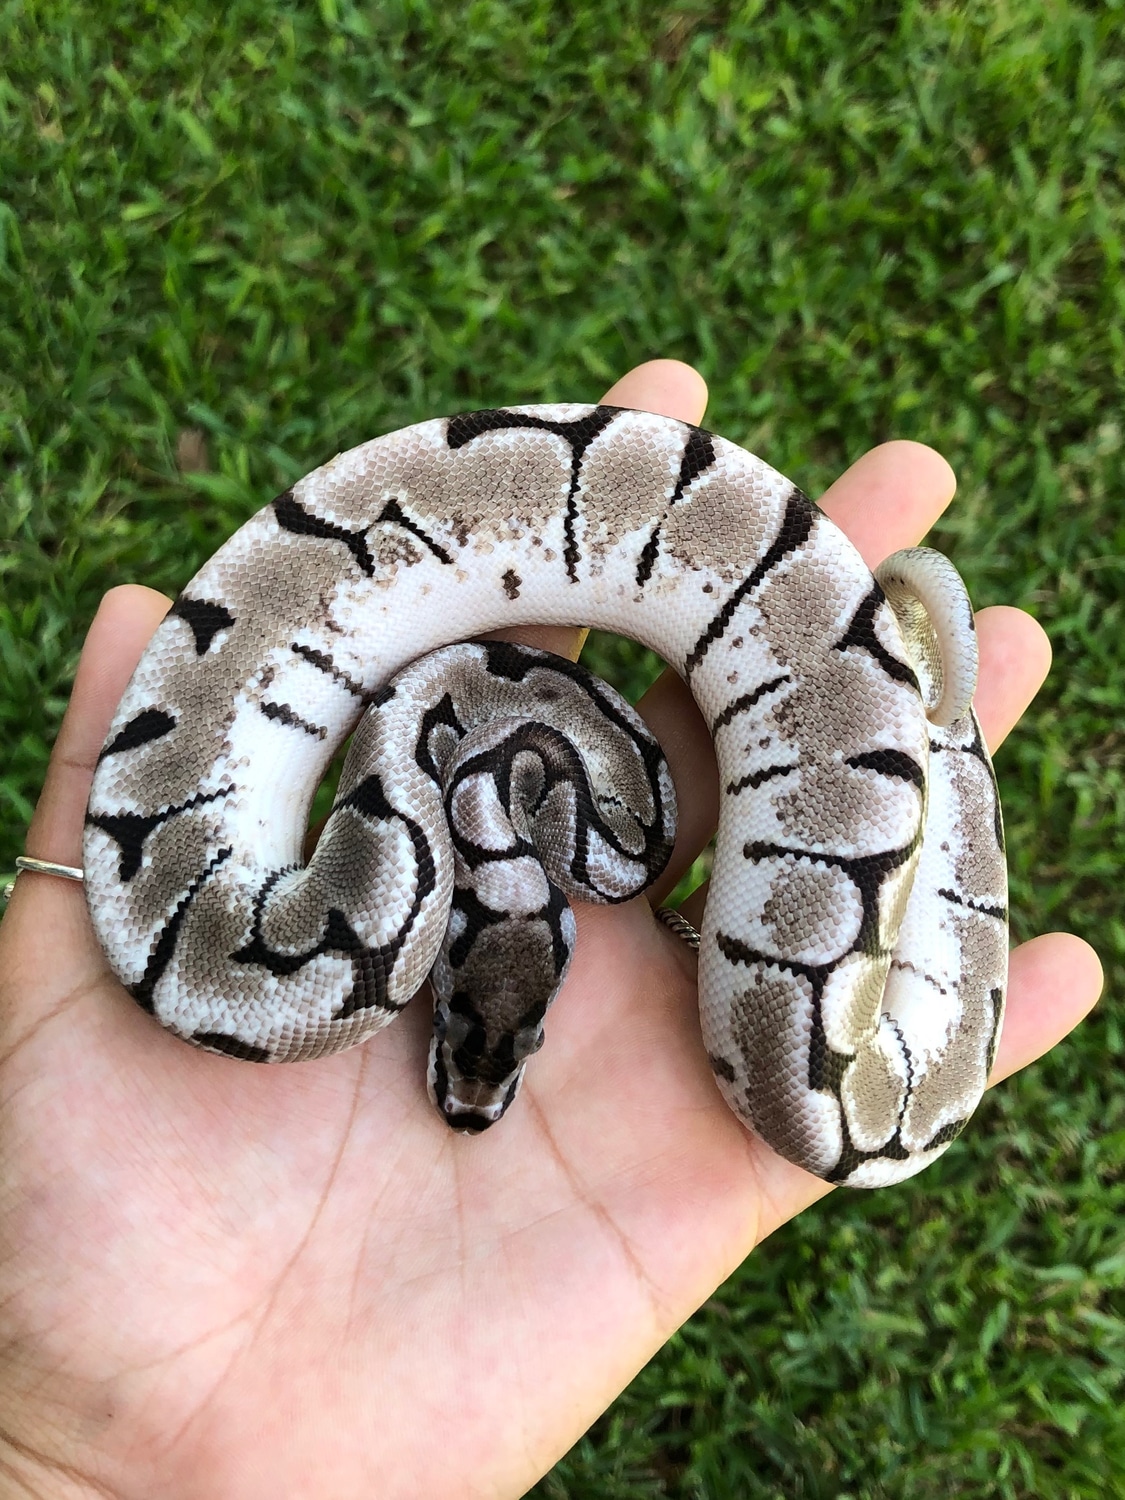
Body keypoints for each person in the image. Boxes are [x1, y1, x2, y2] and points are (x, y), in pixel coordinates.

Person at [0, 360, 1102, 1499]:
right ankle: (906, 724)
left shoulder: (470, 787)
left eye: (474, 1042)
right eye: (509, 1047)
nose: (470, 1084)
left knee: (834, 1112)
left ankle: (905, 724)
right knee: (832, 1113)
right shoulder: (540, 837)